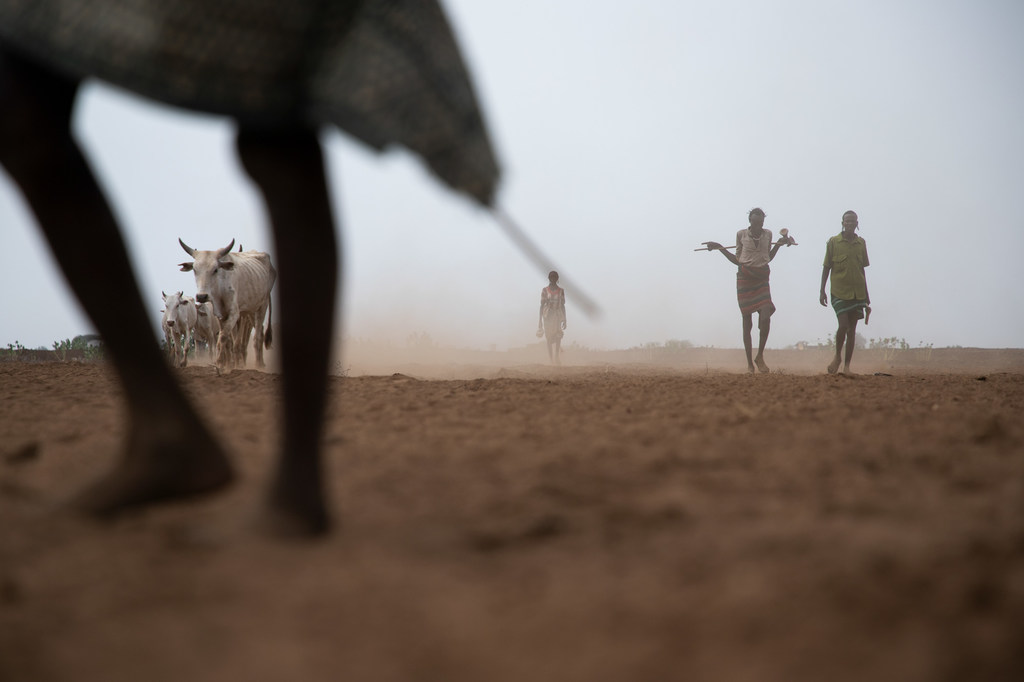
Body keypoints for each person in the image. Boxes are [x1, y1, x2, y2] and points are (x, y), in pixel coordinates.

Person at [0, 1, 499, 537]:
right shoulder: (201, 283)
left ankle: (296, 482)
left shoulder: (246, 268)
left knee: (276, 128)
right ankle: (164, 423)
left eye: (210, 268)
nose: (204, 277)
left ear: (225, 263)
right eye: (199, 270)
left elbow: (238, 307)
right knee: (20, 105)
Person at [704, 207, 793, 373]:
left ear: (763, 222)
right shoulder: (741, 235)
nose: (759, 225)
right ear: (750, 221)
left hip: (761, 278)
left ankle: (759, 356)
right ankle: (749, 365)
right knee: (747, 322)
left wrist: (780, 244)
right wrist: (720, 248)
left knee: (766, 315)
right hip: (745, 278)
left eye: (761, 222)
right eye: (755, 221)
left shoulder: (768, 234)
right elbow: (738, 260)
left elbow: (767, 257)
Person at [820, 210, 870, 375]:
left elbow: (862, 270)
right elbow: (826, 267)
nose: (849, 224)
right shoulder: (833, 242)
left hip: (857, 293)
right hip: (839, 292)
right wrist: (822, 290)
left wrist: (867, 297)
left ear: (857, 223)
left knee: (852, 330)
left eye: (852, 221)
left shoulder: (861, 244)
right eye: (847, 221)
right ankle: (837, 357)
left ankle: (847, 366)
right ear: (842, 223)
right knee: (843, 326)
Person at [537, 270, 567, 364]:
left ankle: (556, 357)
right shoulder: (545, 290)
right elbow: (542, 305)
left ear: (557, 279)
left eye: (555, 277)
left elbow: (562, 305)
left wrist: (565, 319)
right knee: (549, 338)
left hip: (557, 315)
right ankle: (551, 359)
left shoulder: (561, 291)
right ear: (549, 279)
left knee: (558, 337)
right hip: (548, 316)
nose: (553, 279)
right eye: (551, 277)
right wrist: (540, 321)